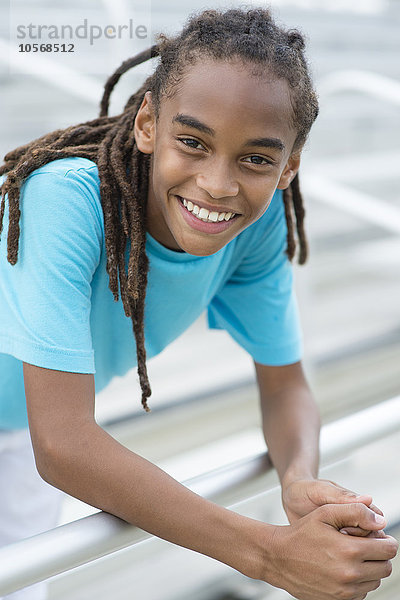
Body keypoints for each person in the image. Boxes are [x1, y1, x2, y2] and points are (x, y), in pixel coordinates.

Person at [0, 7, 398, 600]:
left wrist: (298, 481)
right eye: (192, 141)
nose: (217, 184)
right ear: (146, 126)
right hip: (39, 438)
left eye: (256, 158)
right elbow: (63, 446)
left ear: (289, 166)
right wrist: (268, 555)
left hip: (14, 434)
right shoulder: (64, 199)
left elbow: (287, 386)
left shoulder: (253, 228)